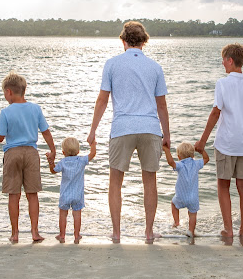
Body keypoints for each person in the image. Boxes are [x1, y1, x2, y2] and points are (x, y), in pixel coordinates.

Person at [87, 21, 170, 242]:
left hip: (122, 127)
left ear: (123, 41)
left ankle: (116, 233)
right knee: (149, 181)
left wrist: (93, 130)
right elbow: (161, 105)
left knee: (115, 181)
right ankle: (149, 233)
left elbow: (103, 100)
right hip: (150, 128)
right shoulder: (155, 67)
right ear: (144, 42)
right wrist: (167, 135)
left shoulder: (112, 64)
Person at [0, 72, 56, 243]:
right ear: (23, 91)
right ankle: (34, 232)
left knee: (14, 195)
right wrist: (52, 150)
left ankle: (15, 233)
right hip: (31, 153)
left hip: (12, 153)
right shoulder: (35, 108)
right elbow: (46, 132)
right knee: (32, 194)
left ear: (9, 92)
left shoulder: (6, 112)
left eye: (4, 92)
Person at [195, 43, 243, 240]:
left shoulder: (222, 83)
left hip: (226, 143)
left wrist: (202, 141)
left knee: (223, 185)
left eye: (224, 60)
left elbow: (216, 112)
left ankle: (229, 229)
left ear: (231, 60)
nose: (222, 63)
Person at [49, 137, 96, 243]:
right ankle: (76, 235)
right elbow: (93, 154)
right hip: (77, 194)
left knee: (63, 214)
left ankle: (62, 235)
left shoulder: (63, 162)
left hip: (65, 194)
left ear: (63, 152)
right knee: (77, 214)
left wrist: (51, 162)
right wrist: (93, 144)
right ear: (78, 151)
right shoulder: (81, 161)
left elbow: (53, 171)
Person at [162, 142, 210, 238]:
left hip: (181, 196)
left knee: (173, 204)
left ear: (179, 157)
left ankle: (176, 223)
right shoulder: (196, 164)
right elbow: (206, 159)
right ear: (193, 155)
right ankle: (191, 231)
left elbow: (171, 162)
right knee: (192, 214)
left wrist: (166, 150)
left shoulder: (180, 165)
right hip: (193, 198)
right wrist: (201, 150)